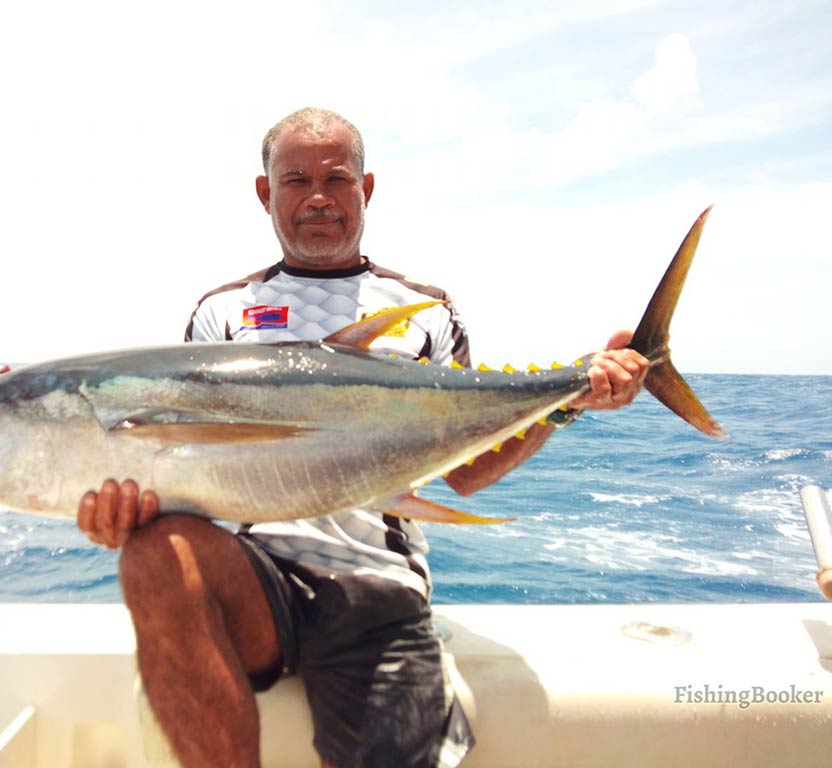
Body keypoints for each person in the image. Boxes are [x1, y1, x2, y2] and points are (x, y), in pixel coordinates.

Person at [77, 107, 649, 768]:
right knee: (154, 552)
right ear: (266, 193)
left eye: (336, 178)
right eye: (296, 180)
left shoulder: (427, 313)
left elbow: (465, 474)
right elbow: (191, 469)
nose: (317, 197)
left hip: (375, 585)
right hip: (259, 580)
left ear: (365, 189)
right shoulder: (220, 314)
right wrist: (128, 512)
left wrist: (565, 402)